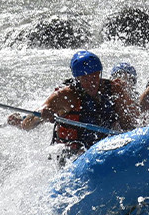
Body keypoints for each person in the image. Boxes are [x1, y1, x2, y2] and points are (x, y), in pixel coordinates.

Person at [7, 50, 137, 157]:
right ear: (77, 78)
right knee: (27, 123)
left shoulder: (113, 89)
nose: (91, 82)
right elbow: (31, 122)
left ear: (100, 73)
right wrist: (43, 114)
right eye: (85, 78)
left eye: (94, 76)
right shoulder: (66, 96)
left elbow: (128, 124)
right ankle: (18, 120)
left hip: (105, 145)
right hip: (73, 153)